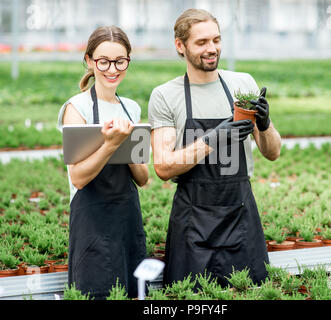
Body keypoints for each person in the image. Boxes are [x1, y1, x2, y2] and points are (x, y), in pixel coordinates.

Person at [148, 9, 282, 289]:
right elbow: (162, 166)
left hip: (240, 213)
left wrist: (266, 124)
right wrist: (213, 139)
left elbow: (272, 152)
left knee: (249, 292)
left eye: (216, 40)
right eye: (201, 43)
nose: (212, 49)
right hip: (192, 222)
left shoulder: (242, 84)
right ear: (180, 46)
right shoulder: (165, 95)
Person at [57, 26, 148, 299]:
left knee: (132, 292)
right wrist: (110, 145)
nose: (113, 69)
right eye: (104, 61)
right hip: (91, 223)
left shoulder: (131, 108)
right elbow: (78, 177)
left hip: (126, 219)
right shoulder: (77, 108)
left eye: (121, 61)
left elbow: (143, 179)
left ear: (128, 60)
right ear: (89, 60)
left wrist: (129, 143)